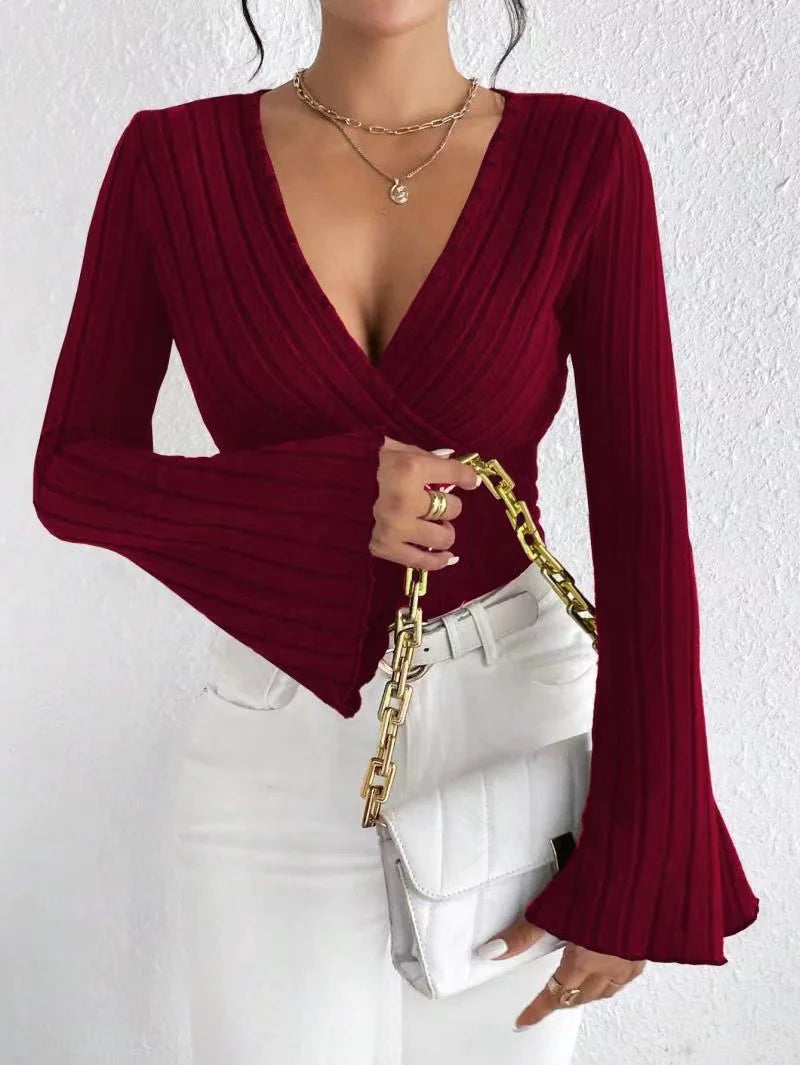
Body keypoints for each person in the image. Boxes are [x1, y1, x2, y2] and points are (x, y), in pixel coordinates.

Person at [31, 1, 760, 1062]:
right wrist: (327, 499)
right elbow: (72, 476)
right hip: (276, 740)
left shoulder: (582, 155)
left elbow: (645, 519)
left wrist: (643, 849)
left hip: (514, 727)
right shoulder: (170, 160)